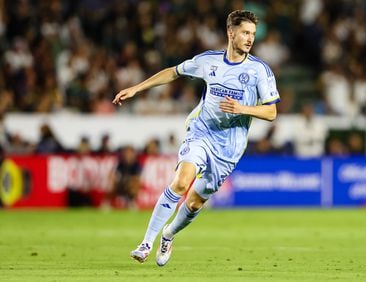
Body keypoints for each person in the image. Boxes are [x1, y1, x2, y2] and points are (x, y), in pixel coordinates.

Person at [112, 10, 279, 266]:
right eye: (245, 33)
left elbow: (271, 111)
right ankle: (146, 243)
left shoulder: (259, 70)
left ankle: (168, 234)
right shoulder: (208, 61)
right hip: (202, 132)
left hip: (229, 147)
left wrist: (243, 109)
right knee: (181, 182)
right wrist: (136, 88)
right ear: (230, 32)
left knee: (194, 201)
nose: (249, 39)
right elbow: (173, 72)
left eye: (253, 34)